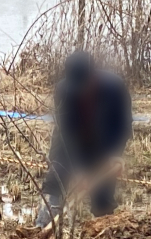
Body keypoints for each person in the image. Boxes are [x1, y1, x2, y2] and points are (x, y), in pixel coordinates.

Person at [35, 51, 133, 229]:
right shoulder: (63, 90)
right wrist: (79, 170)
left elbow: (123, 124)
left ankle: (103, 232)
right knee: (55, 179)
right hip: (70, 144)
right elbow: (66, 130)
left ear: (93, 76)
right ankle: (42, 226)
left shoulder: (114, 88)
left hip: (103, 146)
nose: (79, 90)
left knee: (102, 195)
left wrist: (114, 155)